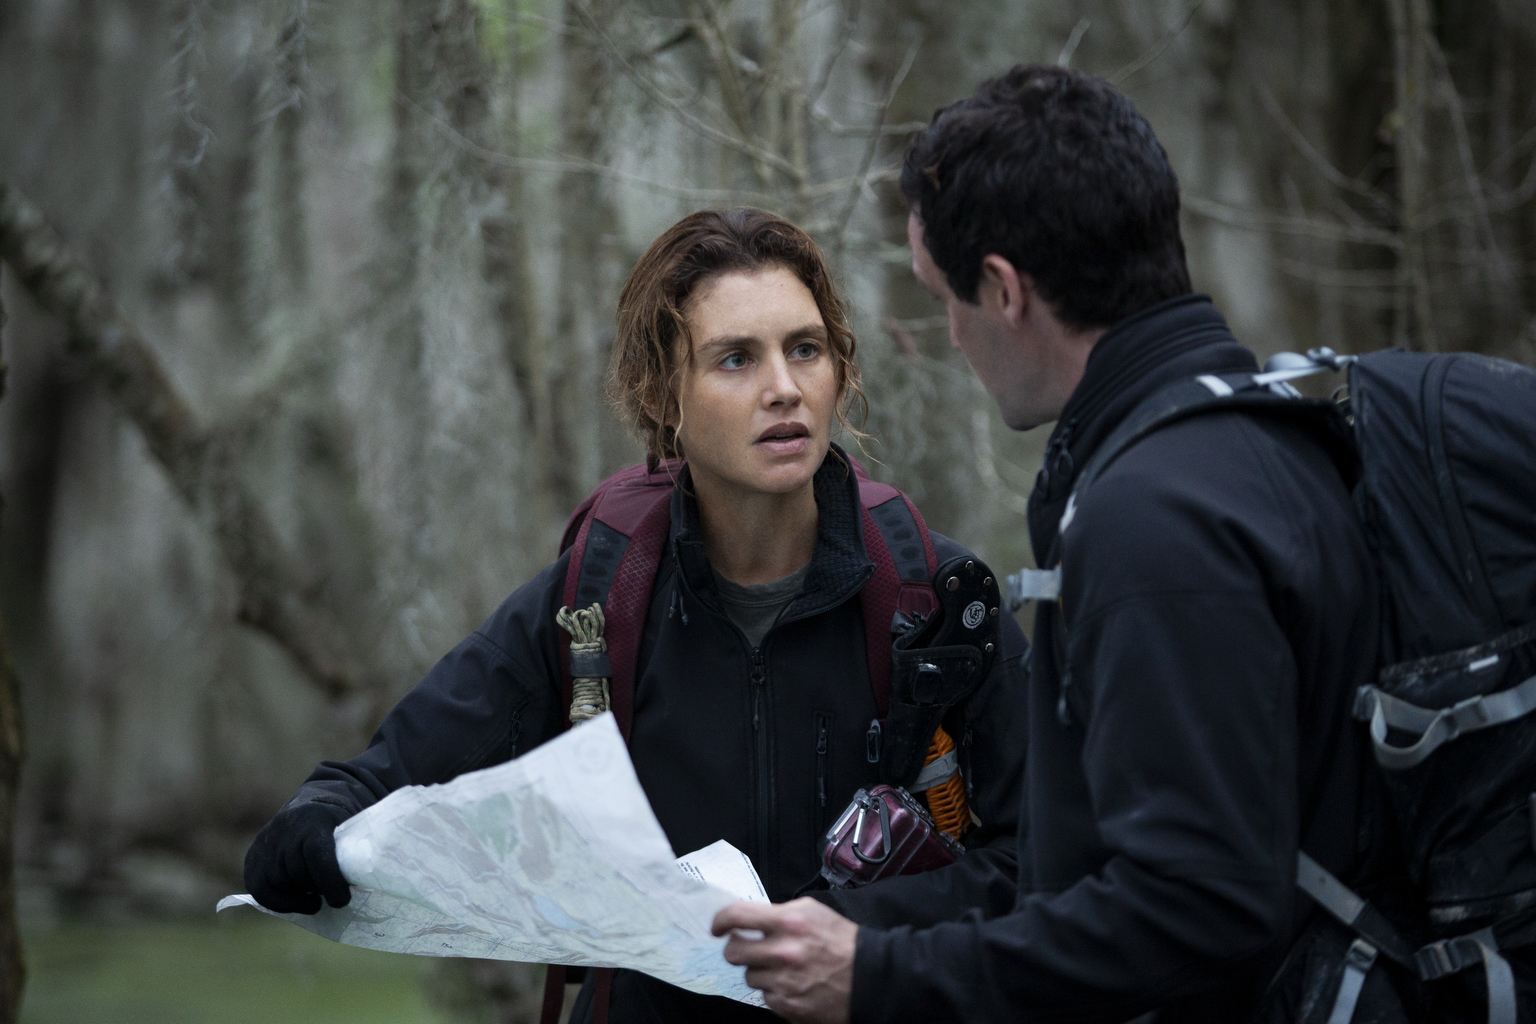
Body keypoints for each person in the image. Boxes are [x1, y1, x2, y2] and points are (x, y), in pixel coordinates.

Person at [242, 208, 1031, 1024]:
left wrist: (850, 932)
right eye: (735, 359)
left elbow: (1043, 860)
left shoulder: (932, 598)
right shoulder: (600, 595)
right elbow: (397, 769)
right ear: (665, 395)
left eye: (806, 349)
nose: (785, 388)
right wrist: (315, 816)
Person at [714, 65, 1379, 1023]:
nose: (949, 334)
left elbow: (1197, 912)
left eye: (946, 297)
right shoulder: (1266, 443)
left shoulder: (1155, 524)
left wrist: (880, 974)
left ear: (1004, 289)